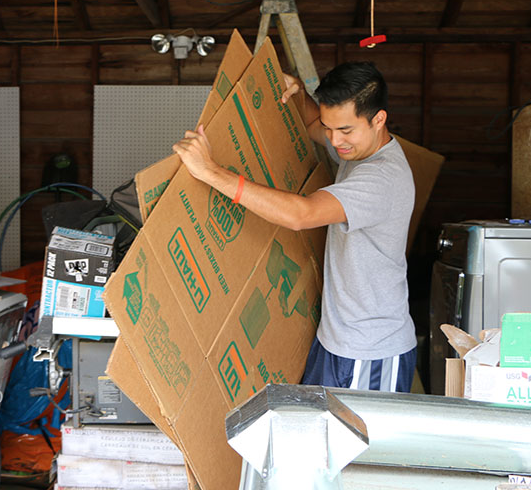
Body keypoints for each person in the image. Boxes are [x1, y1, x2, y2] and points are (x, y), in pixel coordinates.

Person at [172, 61, 417, 393]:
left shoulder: (381, 178)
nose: (334, 140)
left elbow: (301, 214)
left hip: (368, 352)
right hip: (336, 340)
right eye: (330, 129)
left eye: (345, 130)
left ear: (379, 120)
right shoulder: (359, 148)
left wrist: (211, 173)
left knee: (358, 446)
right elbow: (314, 120)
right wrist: (293, 90)